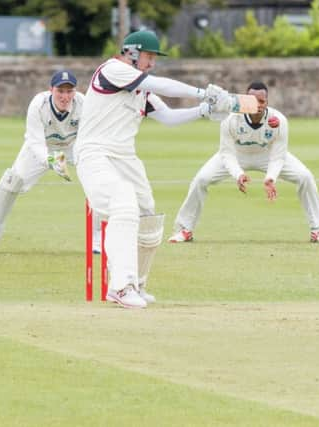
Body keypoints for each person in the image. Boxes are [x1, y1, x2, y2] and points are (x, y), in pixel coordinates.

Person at [75, 30, 239, 309]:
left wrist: (203, 111)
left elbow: (168, 117)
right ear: (133, 53)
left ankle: (137, 283)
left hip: (126, 157)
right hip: (95, 153)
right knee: (122, 204)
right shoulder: (113, 69)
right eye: (149, 56)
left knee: (148, 215)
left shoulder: (141, 90)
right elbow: (162, 84)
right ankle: (120, 286)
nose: (151, 62)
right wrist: (203, 93)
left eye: (153, 58)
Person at [168, 81, 319, 244]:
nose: (258, 105)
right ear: (245, 100)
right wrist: (238, 174)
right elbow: (226, 153)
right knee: (201, 180)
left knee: (305, 176)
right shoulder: (230, 119)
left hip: (267, 155)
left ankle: (317, 230)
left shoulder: (278, 120)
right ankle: (185, 229)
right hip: (237, 155)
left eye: (262, 101)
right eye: (253, 100)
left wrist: (271, 178)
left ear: (267, 102)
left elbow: (278, 156)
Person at [0, 70, 102, 251]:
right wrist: (51, 160)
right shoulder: (39, 104)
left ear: (75, 92)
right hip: (42, 147)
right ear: (51, 90)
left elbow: (89, 136)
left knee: (99, 179)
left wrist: (84, 159)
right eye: (60, 91)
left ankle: (98, 238)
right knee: (12, 181)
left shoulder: (83, 103)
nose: (65, 96)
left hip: (72, 147)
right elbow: (35, 142)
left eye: (69, 91)